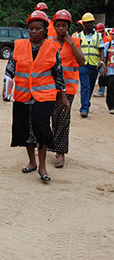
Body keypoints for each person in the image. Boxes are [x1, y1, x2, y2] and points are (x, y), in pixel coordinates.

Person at [3, 10, 69, 182]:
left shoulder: (52, 48)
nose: (34, 32)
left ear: (45, 30)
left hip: (44, 96)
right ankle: (31, 162)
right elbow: (10, 71)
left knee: (41, 128)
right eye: (31, 28)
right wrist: (6, 90)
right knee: (26, 129)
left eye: (38, 28)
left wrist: (63, 97)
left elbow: (59, 75)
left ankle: (42, 166)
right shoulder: (19, 46)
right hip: (23, 95)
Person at [48, 10, 84, 168]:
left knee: (63, 119)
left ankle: (61, 152)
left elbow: (82, 62)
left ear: (68, 26)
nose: (61, 29)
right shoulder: (49, 42)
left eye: (64, 26)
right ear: (54, 26)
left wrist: (70, 43)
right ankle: (52, 145)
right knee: (53, 118)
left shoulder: (75, 42)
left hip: (68, 89)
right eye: (58, 25)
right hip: (50, 87)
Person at [75, 12, 105, 117]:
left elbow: (101, 50)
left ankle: (86, 103)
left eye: (91, 23)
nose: (89, 25)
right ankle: (84, 109)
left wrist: (101, 61)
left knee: (91, 87)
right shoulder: (78, 36)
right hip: (83, 65)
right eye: (87, 23)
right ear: (84, 24)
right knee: (85, 86)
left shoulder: (97, 36)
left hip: (94, 65)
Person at [93, 23, 111, 97]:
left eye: (100, 32)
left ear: (103, 31)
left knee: (102, 75)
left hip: (104, 61)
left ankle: (102, 91)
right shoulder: (96, 38)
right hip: (96, 60)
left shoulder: (108, 39)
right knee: (95, 75)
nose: (99, 33)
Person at [104, 38, 114, 113]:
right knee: (111, 88)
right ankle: (111, 106)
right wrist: (104, 68)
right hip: (110, 70)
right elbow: (104, 57)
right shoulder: (108, 45)